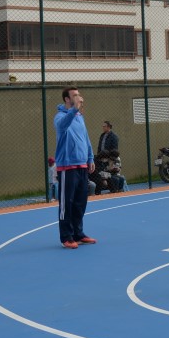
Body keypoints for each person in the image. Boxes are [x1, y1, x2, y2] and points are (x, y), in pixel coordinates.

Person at [54, 87, 97, 248]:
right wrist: (74, 110)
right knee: (67, 204)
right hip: (67, 167)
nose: (79, 97)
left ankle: (78, 233)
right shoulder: (60, 117)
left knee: (80, 203)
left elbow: (85, 138)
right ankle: (66, 236)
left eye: (79, 94)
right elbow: (63, 126)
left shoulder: (79, 117)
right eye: (75, 95)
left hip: (82, 165)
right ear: (67, 99)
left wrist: (90, 157)